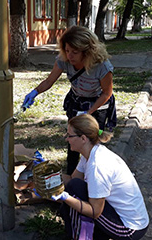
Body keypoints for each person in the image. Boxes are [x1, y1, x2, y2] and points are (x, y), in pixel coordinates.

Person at [22, 26, 116, 175]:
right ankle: (72, 173)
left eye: (75, 52)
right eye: (67, 50)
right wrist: (34, 92)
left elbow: (107, 94)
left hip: (98, 105)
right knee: (74, 138)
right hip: (76, 102)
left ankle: (95, 173)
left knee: (92, 141)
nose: (70, 55)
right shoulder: (63, 60)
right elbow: (49, 81)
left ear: (87, 51)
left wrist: (88, 113)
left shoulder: (102, 66)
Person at [53, 114, 149, 239]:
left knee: (71, 200)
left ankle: (80, 236)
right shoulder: (90, 152)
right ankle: (96, 233)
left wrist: (65, 198)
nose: (66, 139)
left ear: (83, 138)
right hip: (120, 215)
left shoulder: (97, 166)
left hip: (129, 229)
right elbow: (72, 179)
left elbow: (94, 212)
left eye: (70, 136)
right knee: (74, 187)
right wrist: (49, 176)